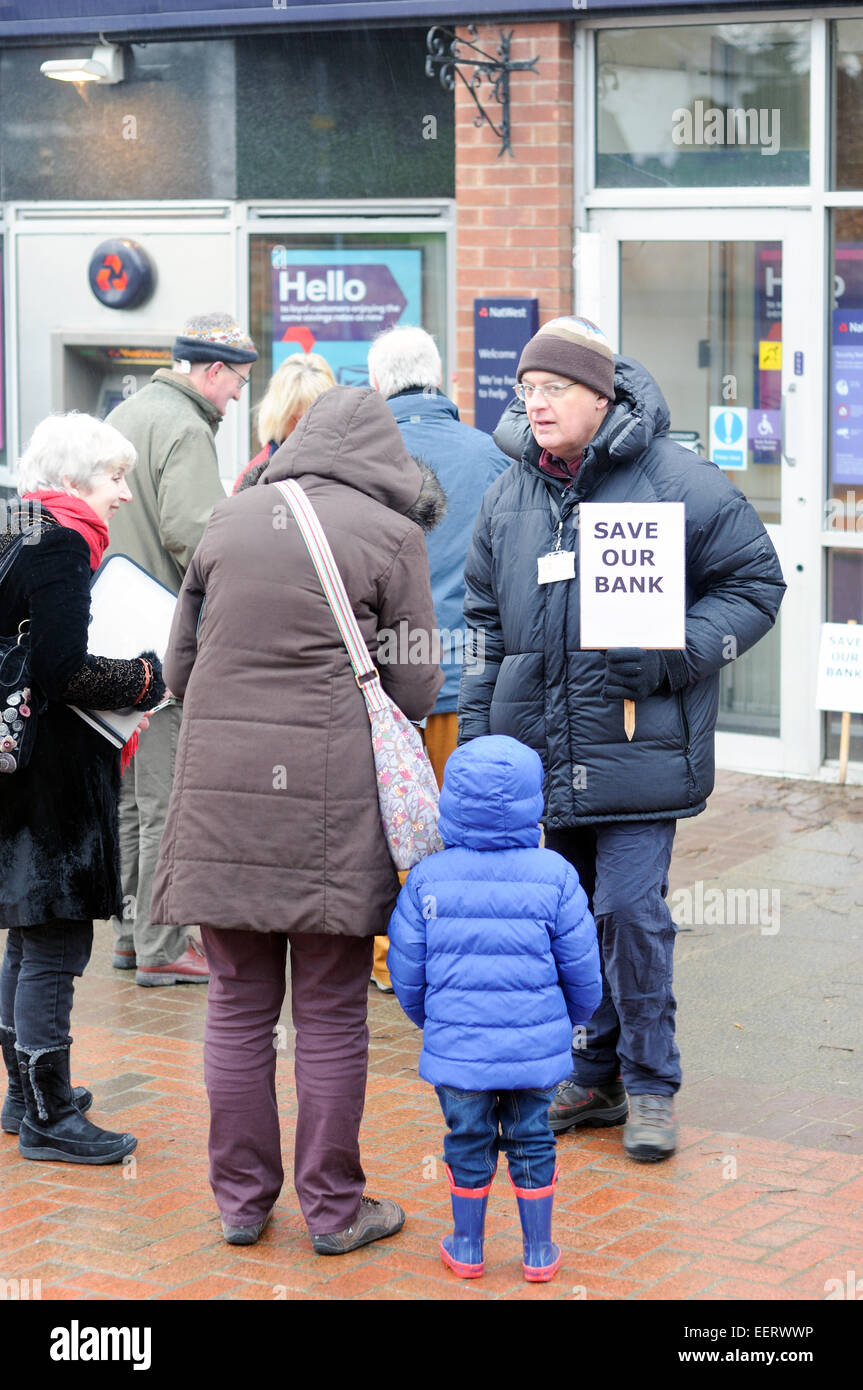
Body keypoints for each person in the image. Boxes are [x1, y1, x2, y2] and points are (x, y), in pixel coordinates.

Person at [460, 316, 786, 1163]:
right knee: (568, 918)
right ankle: (594, 1070)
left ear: (600, 396)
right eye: (526, 389)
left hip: (639, 752)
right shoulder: (509, 492)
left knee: (628, 912)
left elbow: (755, 582)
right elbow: (486, 625)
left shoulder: (677, 479)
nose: (534, 404)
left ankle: (650, 1084)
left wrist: (676, 650)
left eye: (553, 389)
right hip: (539, 750)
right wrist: (475, 738)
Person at [149, 386, 445, 1250]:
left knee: (237, 1008)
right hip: (331, 804)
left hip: (219, 801)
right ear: (386, 459)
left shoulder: (231, 518)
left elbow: (177, 669)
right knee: (329, 1012)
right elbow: (418, 684)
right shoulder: (394, 536)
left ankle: (241, 1204)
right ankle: (333, 1208)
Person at [0, 413, 165, 1164]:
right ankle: (48, 1114)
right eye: (113, 478)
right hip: (54, 777)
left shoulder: (14, 531)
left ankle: (22, 1095)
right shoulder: (62, 543)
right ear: (71, 483)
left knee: (27, 936)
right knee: (57, 938)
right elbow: (65, 671)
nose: (124, 495)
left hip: (15, 765)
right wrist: (144, 676)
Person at [387, 735, 601, 1283]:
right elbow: (583, 972)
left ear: (451, 800)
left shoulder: (429, 879)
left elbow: (406, 972)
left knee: (468, 1139)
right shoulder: (555, 876)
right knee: (532, 1138)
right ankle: (537, 1251)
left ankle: (466, 1245)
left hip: (458, 1054)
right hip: (535, 1052)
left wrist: (433, 1024)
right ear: (535, 801)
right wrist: (568, 1021)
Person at [105, 312, 258, 987]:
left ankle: (131, 933)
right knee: (165, 791)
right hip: (160, 633)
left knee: (133, 795)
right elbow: (196, 537)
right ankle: (164, 943)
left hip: (110, 631)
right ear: (212, 371)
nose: (236, 397)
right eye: (238, 383)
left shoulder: (131, 412)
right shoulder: (187, 427)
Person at [367, 324, 510, 993]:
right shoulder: (491, 457)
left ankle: (391, 958)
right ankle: (460, 948)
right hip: (467, 675)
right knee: (465, 822)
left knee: (390, 827)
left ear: (375, 385)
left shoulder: (360, 457)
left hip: (384, 686)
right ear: (440, 379)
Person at [232, 351, 335, 494]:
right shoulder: (255, 477)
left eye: (313, 417)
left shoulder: (349, 467)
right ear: (279, 416)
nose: (304, 427)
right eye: (296, 418)